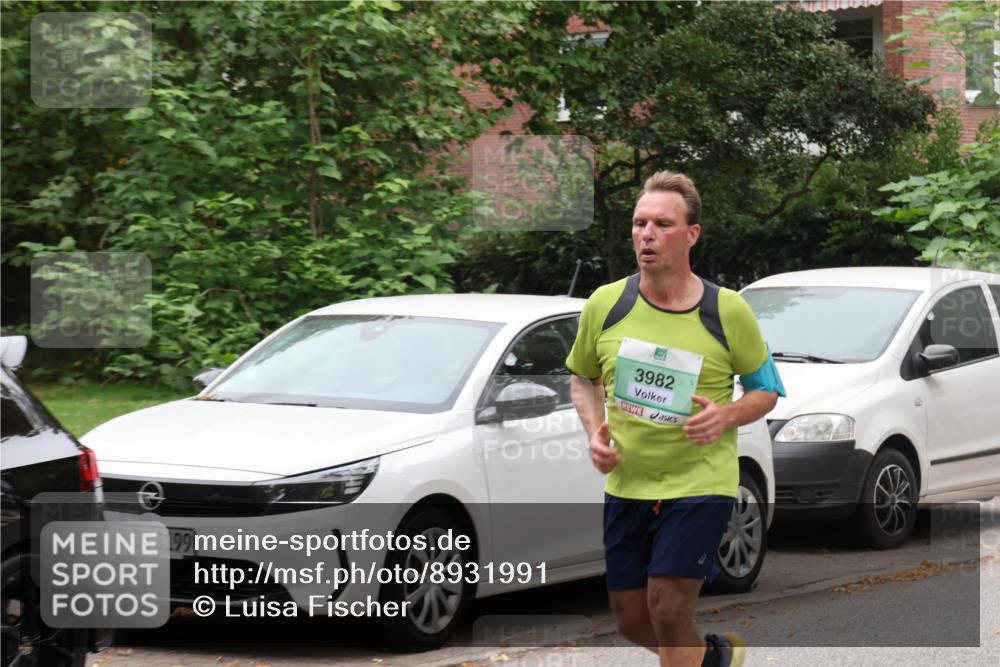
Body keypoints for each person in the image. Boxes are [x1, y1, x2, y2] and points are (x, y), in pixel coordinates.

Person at [566, 171, 784, 667]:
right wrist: (593, 432)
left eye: (662, 224)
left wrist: (726, 416)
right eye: (639, 223)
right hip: (628, 484)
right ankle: (712, 659)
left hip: (699, 482)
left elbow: (766, 390)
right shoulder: (606, 304)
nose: (646, 234)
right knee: (631, 619)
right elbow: (581, 378)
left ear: (691, 234)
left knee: (666, 609)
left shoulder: (727, 310)